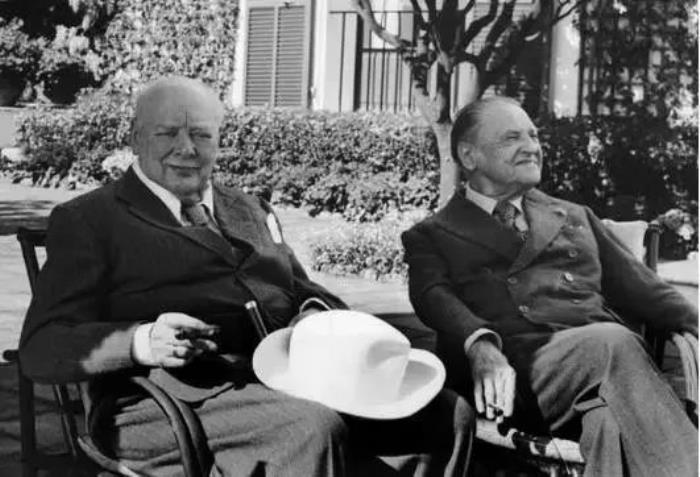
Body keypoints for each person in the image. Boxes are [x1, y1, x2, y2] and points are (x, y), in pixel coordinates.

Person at [19, 76, 475, 477]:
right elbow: (41, 348)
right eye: (167, 133)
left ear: (219, 140)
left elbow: (303, 289)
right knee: (309, 428)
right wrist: (143, 340)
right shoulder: (91, 219)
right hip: (160, 401)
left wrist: (312, 316)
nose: (187, 148)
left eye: (202, 134)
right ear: (136, 137)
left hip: (285, 380)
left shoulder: (248, 208)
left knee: (443, 412)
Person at [401, 96, 698, 477]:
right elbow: (432, 296)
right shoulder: (433, 234)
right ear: (469, 156)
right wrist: (480, 344)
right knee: (614, 343)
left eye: (534, 136)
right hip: (510, 380)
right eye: (512, 138)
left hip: (602, 372)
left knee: (608, 422)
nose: (531, 147)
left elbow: (650, 293)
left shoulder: (575, 216)